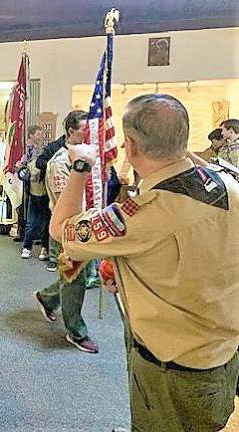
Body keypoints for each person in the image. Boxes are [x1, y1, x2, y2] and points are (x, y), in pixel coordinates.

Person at [50, 94, 239, 431]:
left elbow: (61, 230)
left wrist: (80, 166)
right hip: (221, 353)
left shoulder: (141, 216)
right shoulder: (227, 185)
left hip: (173, 370)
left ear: (131, 146)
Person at [33, 110, 99, 354]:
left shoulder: (91, 156)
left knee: (76, 276)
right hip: (69, 231)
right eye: (85, 129)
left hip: (89, 228)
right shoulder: (61, 162)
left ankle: (47, 298)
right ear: (71, 131)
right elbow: (65, 205)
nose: (90, 133)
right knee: (75, 280)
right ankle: (77, 332)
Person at [19, 126, 50, 260]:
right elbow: (20, 168)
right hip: (32, 190)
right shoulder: (26, 151)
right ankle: (27, 246)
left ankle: (44, 247)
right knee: (31, 222)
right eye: (38, 134)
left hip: (45, 191)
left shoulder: (45, 150)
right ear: (31, 135)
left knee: (45, 222)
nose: (40, 136)